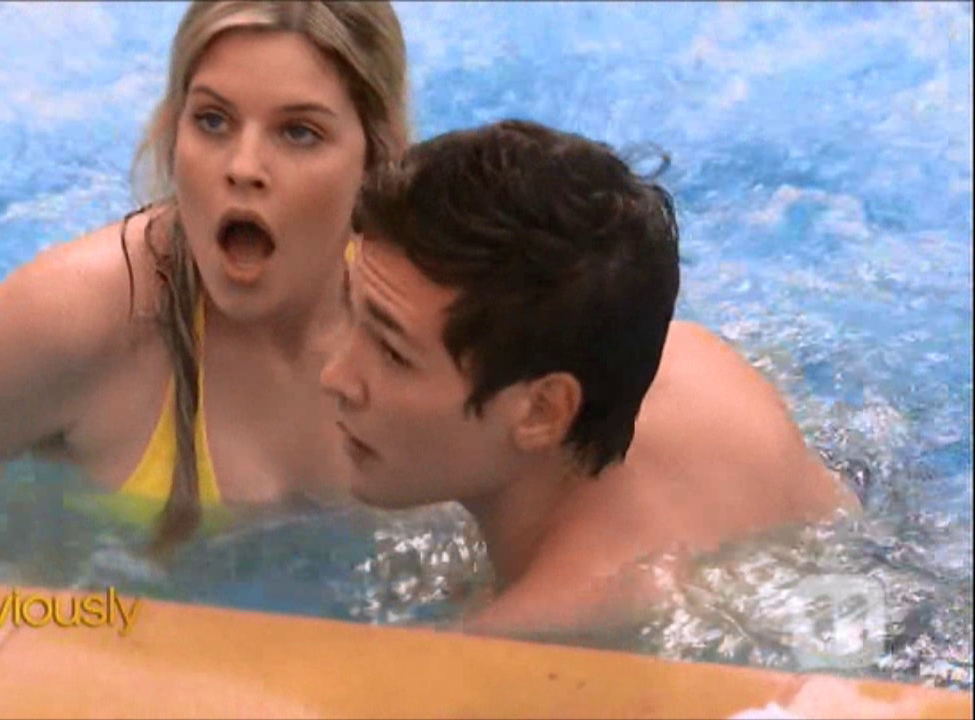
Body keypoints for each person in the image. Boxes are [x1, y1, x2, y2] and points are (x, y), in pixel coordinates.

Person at [0, 1, 411, 553]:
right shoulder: (65, 321)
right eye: (212, 120)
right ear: (173, 131)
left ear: (376, 158)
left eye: (299, 132)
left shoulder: (431, 330)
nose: (242, 167)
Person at [320, 119, 862, 636]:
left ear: (542, 411)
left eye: (392, 352)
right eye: (351, 310)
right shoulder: (682, 354)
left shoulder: (559, 624)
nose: (334, 375)